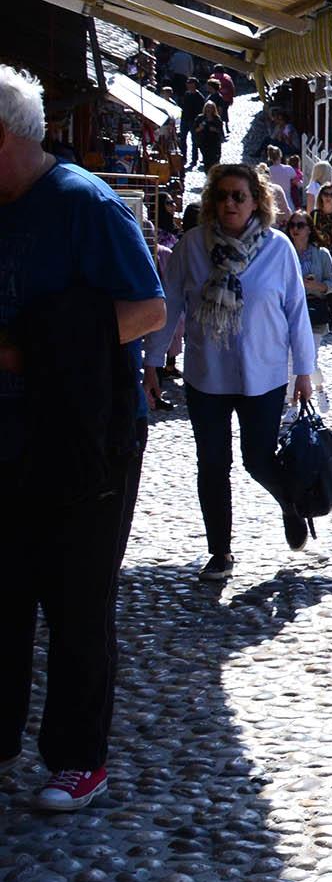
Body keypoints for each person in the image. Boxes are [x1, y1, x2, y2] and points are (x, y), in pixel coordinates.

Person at [0, 64, 168, 812]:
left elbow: (149, 309)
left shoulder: (85, 203)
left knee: (75, 599)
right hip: (8, 429)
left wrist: (43, 346)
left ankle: (77, 757)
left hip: (87, 434)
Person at [156, 163, 317, 580]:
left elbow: (296, 311)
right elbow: (170, 306)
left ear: (255, 202)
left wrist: (305, 370)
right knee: (212, 463)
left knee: (257, 459)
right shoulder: (191, 247)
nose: (230, 203)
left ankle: (290, 502)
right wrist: (153, 364)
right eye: (222, 195)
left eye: (239, 196)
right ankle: (220, 551)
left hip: (262, 375)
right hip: (207, 374)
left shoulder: (278, 248)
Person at [284, 212, 332, 334]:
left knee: (311, 352)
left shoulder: (322, 254)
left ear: (309, 229)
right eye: (292, 225)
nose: (295, 229)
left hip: (314, 309)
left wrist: (316, 286)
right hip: (289, 311)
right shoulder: (282, 253)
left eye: (300, 225)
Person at [308, 182, 332, 250]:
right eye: (325, 194)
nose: (328, 197)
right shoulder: (314, 214)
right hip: (319, 251)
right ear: (321, 196)